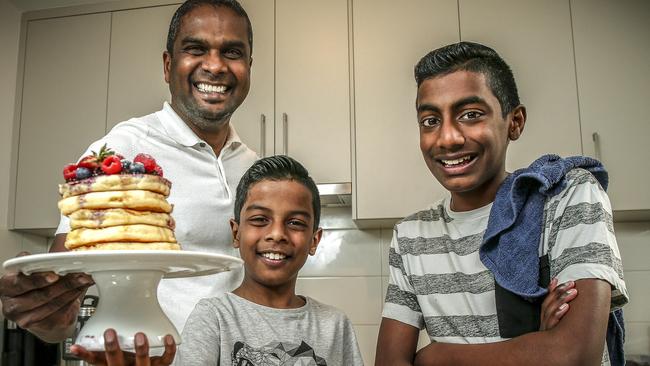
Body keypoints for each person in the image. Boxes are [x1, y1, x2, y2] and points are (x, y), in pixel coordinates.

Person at [0, 0, 257, 343]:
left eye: (232, 52)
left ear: (249, 66)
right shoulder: (121, 151)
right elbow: (61, 304)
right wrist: (45, 312)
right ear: (168, 65)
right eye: (195, 49)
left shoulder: (254, 167)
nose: (214, 65)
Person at [376, 42, 628, 366]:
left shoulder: (568, 195)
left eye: (471, 115)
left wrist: (438, 356)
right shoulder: (410, 237)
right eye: (430, 120)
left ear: (515, 122)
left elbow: (573, 354)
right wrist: (536, 344)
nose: (447, 137)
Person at [71, 155, 365, 366]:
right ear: (236, 233)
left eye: (296, 223)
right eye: (260, 219)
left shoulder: (335, 325)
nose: (277, 234)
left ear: (314, 239)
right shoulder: (214, 317)